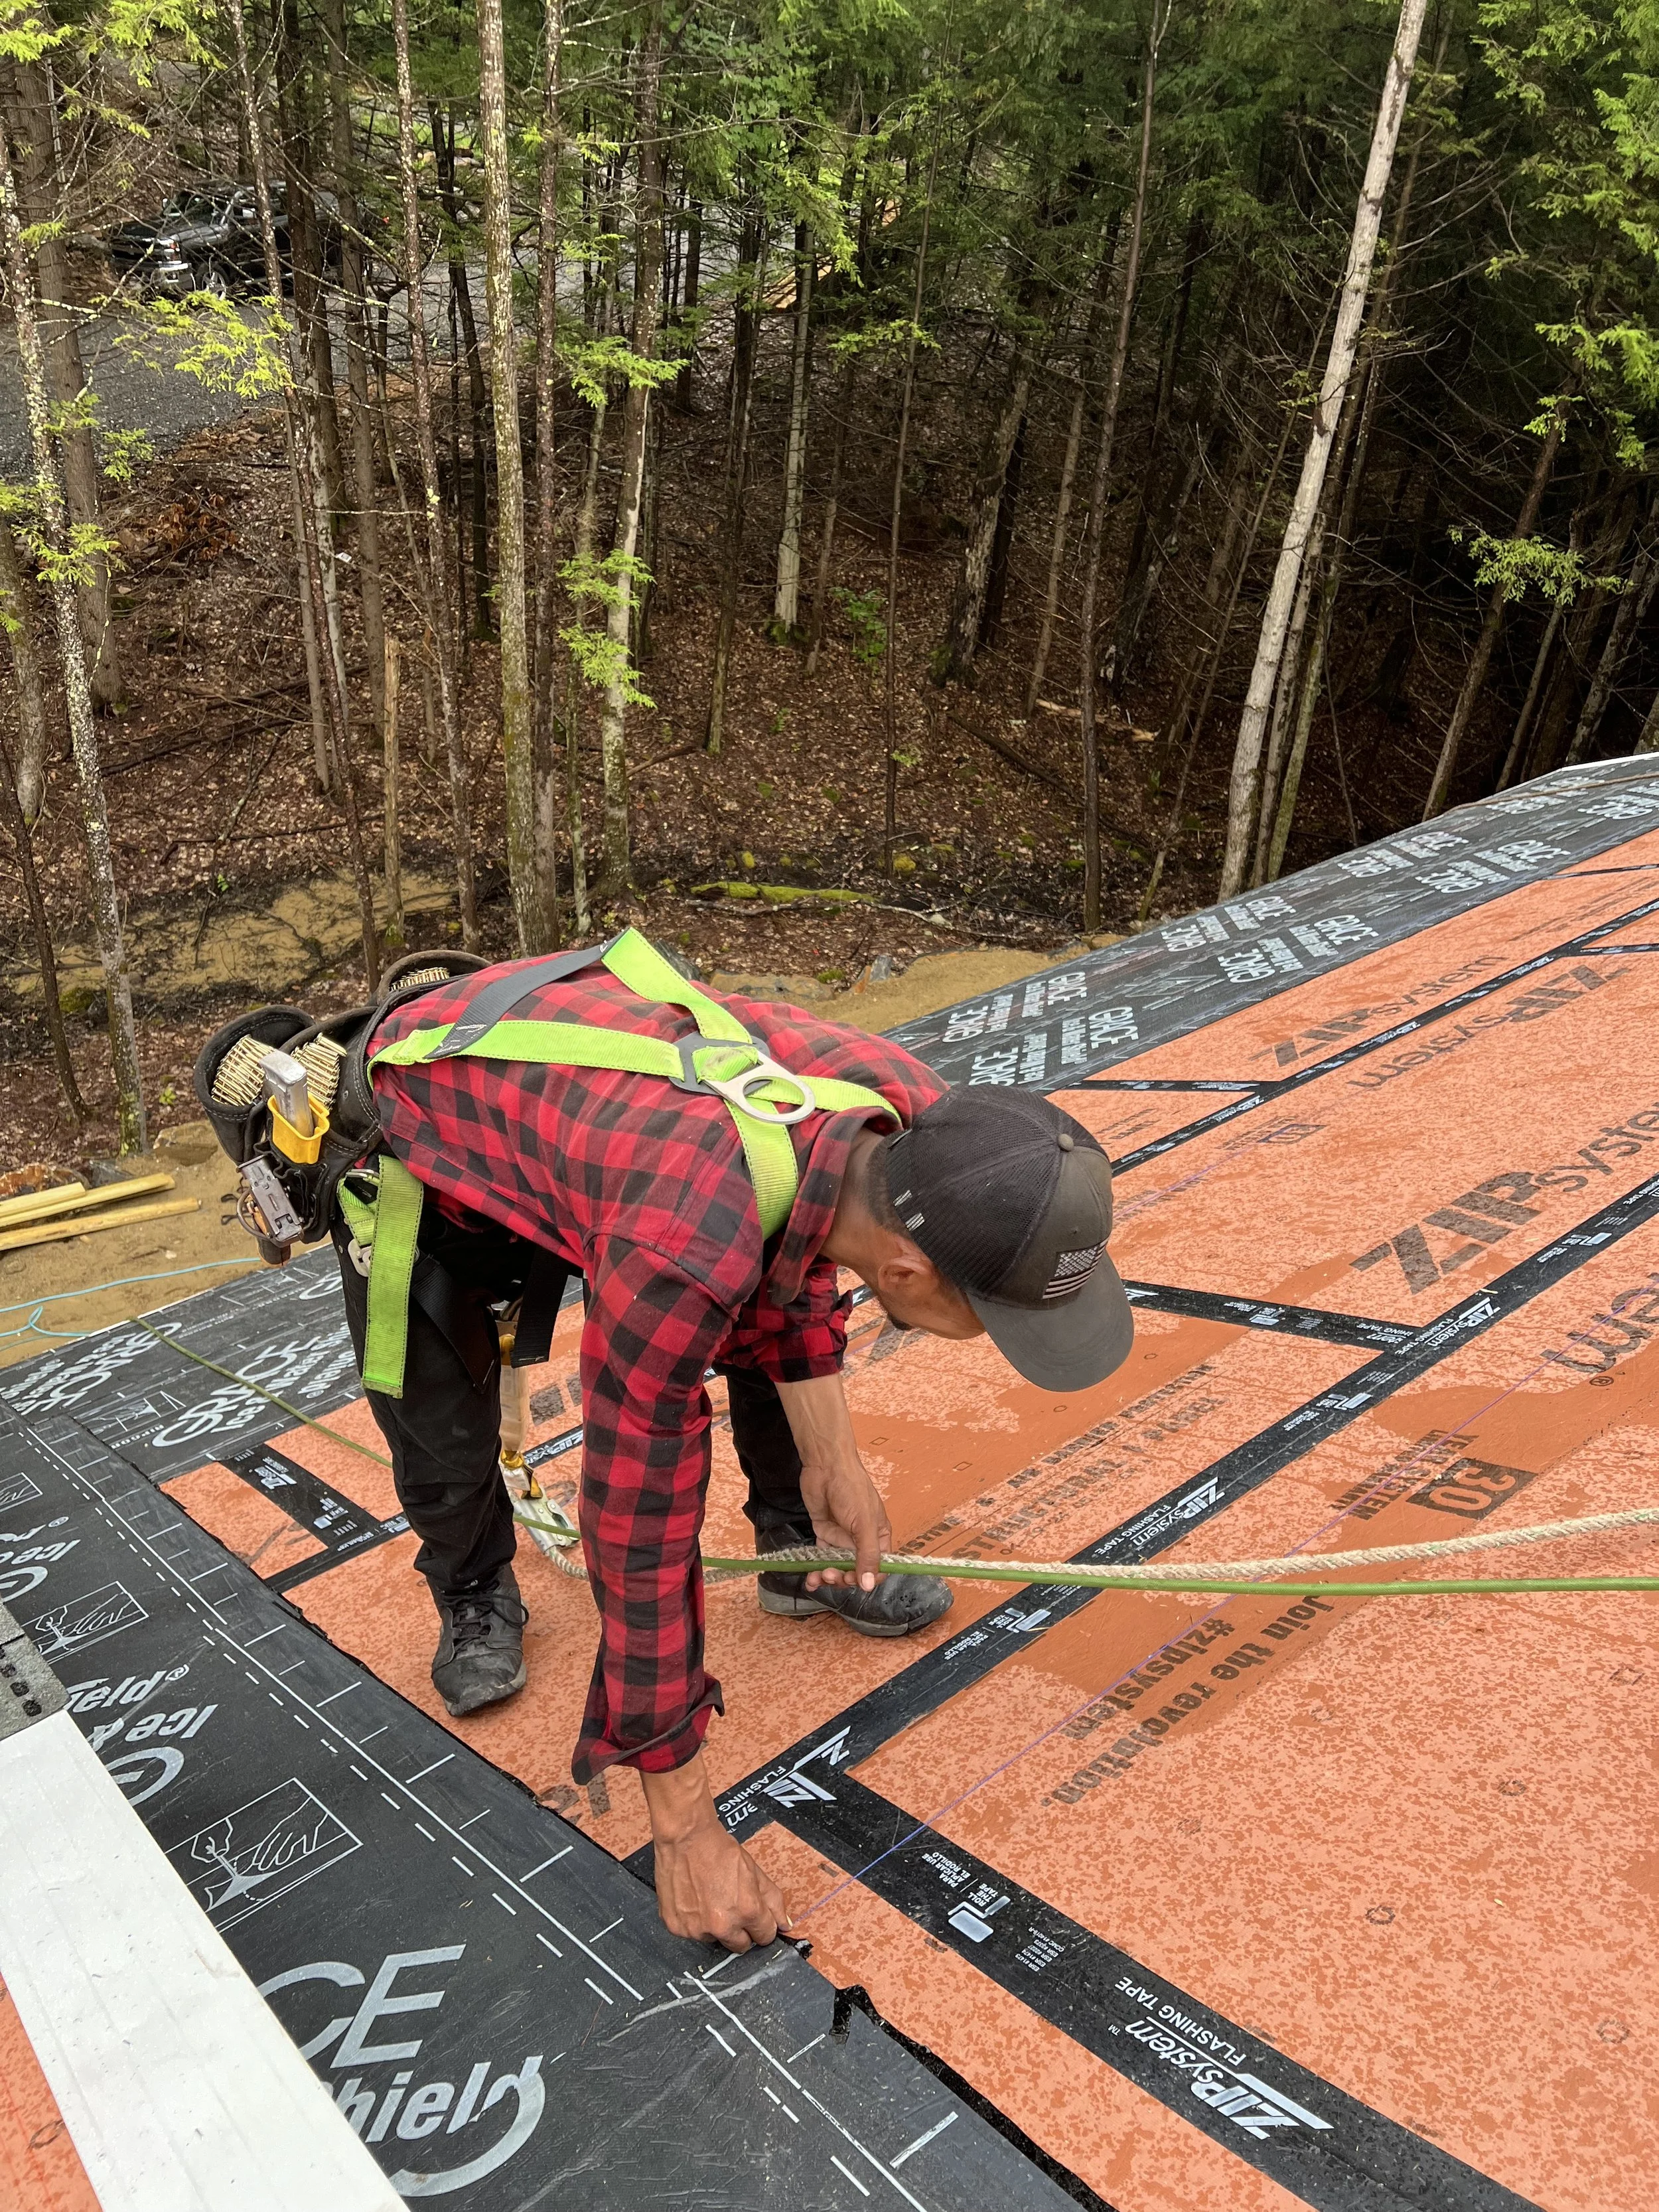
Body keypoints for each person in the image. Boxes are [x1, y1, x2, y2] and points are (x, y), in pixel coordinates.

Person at [203, 938, 1133, 1951]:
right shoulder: (680, 1240)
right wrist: (685, 1833)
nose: (1003, 1339)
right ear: (910, 1274)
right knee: (441, 1424)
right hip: (423, 1142)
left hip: (621, 1139)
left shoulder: (925, 1122)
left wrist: (835, 1459)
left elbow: (810, 1224)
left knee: (763, 1285)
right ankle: (473, 1592)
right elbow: (637, 1530)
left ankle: (795, 1548)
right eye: (997, 1319)